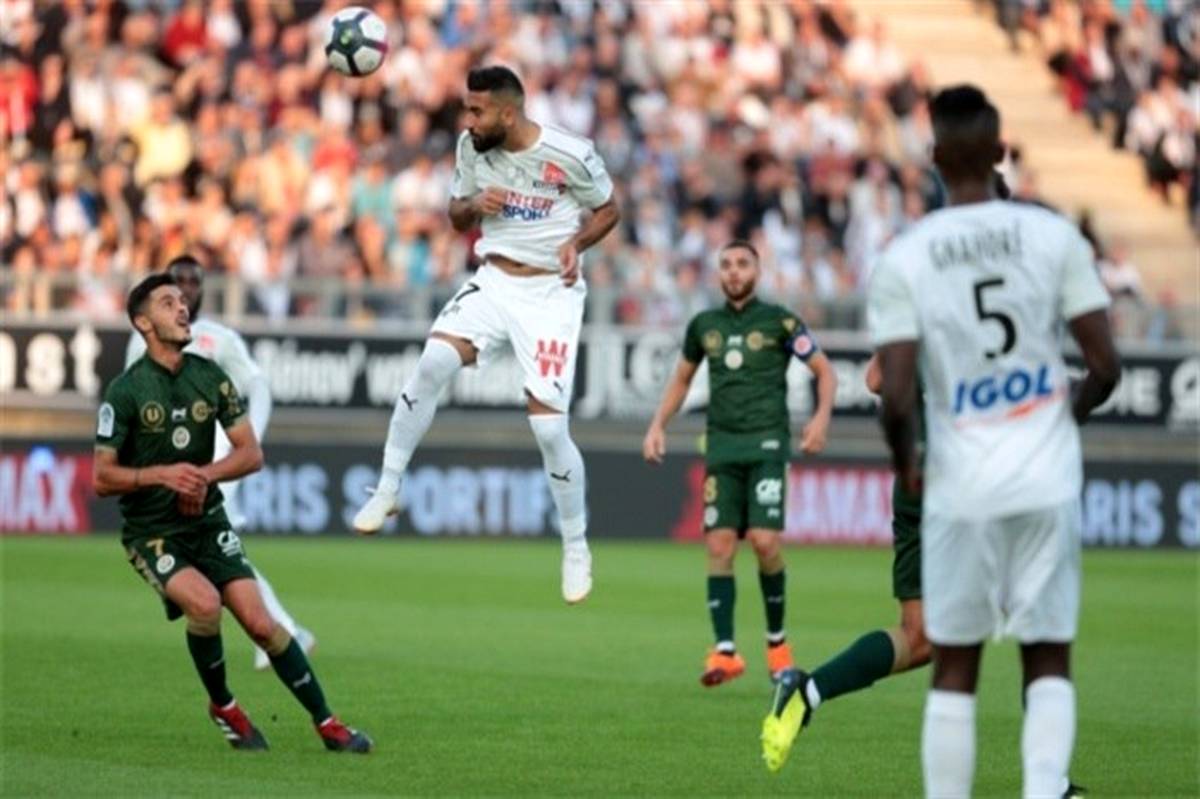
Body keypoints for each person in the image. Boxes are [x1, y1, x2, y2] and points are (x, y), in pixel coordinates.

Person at [770, 85, 1119, 798]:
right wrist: (1064, 419)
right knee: (1045, 650)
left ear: (933, 159)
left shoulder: (912, 255)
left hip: (951, 473)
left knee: (948, 655)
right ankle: (1047, 788)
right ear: (1001, 152)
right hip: (1039, 470)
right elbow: (1105, 367)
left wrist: (909, 464)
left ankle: (819, 696)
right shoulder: (1053, 238)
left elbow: (886, 386)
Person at [352, 65, 620, 605]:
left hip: (551, 294)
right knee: (432, 363)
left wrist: (576, 245)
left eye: (477, 111)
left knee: (549, 431)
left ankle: (575, 545)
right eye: (466, 108)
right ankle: (388, 487)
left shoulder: (569, 153)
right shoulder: (471, 147)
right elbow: (456, 214)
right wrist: (475, 206)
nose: (468, 120)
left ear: (508, 113)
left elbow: (609, 209)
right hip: (494, 279)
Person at [95, 273, 372, 753]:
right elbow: (102, 476)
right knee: (204, 606)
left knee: (262, 624)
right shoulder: (125, 391)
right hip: (153, 532)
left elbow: (251, 454)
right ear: (143, 323)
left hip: (207, 522)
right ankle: (224, 705)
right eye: (167, 303)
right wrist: (162, 476)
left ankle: (328, 723)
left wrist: (203, 477)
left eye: (183, 301)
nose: (182, 307)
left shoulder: (210, 376)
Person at [642, 239, 837, 687]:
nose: (733, 271)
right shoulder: (704, 326)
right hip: (722, 448)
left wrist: (821, 419)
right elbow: (681, 380)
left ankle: (778, 646)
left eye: (742, 264)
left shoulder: (780, 321)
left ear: (757, 271)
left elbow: (825, 371)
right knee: (719, 546)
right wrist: (657, 425)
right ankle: (725, 651)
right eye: (726, 264)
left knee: (765, 543)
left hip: (767, 445)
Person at [126, 255, 316, 672]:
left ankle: (283, 629)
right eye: (177, 281)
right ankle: (284, 629)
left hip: (213, 463)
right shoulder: (141, 341)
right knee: (218, 551)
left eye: (193, 281)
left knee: (217, 548)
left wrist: (248, 442)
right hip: (170, 465)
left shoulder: (219, 339)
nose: (185, 289)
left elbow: (258, 384)